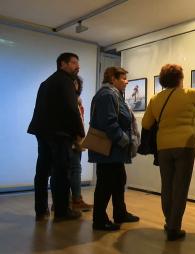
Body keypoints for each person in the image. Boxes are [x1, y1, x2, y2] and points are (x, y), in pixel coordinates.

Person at [141, 64, 195, 241]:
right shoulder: (189, 94)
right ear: (179, 78)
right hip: (185, 144)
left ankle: (170, 222)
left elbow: (146, 124)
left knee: (167, 185)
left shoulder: (155, 99)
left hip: (163, 146)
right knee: (180, 187)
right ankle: (174, 228)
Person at [28, 52, 85, 221]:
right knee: (61, 172)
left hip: (43, 132)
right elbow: (71, 109)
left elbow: (39, 108)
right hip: (59, 134)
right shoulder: (66, 81)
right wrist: (79, 132)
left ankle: (41, 210)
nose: (77, 66)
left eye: (78, 62)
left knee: (42, 170)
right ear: (62, 64)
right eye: (74, 62)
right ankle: (61, 211)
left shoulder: (46, 83)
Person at [88, 67, 139, 231]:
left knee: (118, 181)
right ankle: (99, 220)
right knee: (106, 184)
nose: (127, 81)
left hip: (114, 151)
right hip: (110, 150)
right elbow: (109, 124)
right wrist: (126, 142)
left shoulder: (113, 94)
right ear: (112, 78)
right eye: (123, 78)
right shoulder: (107, 95)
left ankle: (120, 213)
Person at [69, 76, 93, 211]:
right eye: (73, 83)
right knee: (75, 169)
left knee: (70, 170)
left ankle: (66, 201)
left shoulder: (77, 101)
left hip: (75, 138)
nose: (75, 86)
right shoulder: (71, 100)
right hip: (72, 139)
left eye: (76, 83)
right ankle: (76, 200)